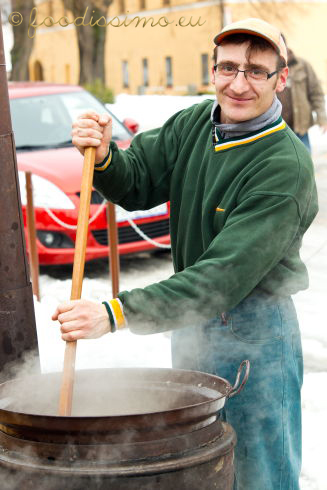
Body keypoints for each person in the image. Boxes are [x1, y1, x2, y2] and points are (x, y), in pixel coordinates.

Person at [52, 18, 318, 490]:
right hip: (193, 328)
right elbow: (138, 177)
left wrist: (114, 312)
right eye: (228, 68)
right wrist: (105, 154)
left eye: (256, 71)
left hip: (255, 336)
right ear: (212, 71)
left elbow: (220, 277)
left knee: (260, 472)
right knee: (200, 461)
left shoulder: (284, 168)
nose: (238, 84)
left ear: (281, 79)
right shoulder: (195, 122)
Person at [277, 39, 327, 152]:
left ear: (285, 46)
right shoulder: (269, 68)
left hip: (301, 129)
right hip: (277, 131)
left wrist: (322, 119)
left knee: (305, 163)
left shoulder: (303, 65)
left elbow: (316, 93)